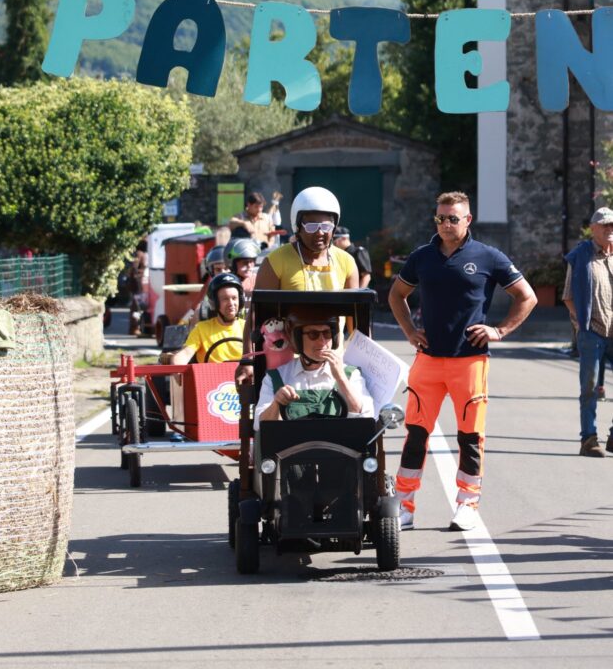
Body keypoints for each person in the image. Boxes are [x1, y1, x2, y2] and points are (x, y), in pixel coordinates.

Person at [388, 190, 537, 532]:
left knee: (471, 437)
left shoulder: (488, 256)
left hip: (469, 362)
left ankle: (467, 504)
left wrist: (500, 330)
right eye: (440, 218)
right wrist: (410, 330)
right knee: (415, 434)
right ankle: (405, 505)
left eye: (453, 218)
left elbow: (526, 296)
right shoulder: (422, 257)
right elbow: (397, 294)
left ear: (468, 220)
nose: (445, 224)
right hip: (427, 361)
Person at [234, 187, 358, 389]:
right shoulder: (276, 261)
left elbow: (357, 324)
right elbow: (256, 316)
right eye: (311, 226)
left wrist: (364, 363)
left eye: (326, 226)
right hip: (286, 364)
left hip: (333, 362)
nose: (319, 232)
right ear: (297, 226)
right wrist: (247, 361)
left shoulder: (347, 262)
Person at [254, 309, 374, 427]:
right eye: (313, 334)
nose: (322, 341)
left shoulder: (350, 374)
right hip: (293, 446)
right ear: (297, 339)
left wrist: (341, 378)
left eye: (327, 333)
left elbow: (366, 418)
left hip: (337, 446)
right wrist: (276, 403)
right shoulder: (276, 377)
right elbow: (259, 426)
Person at [563, 207, 613, 458]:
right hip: (591, 331)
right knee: (590, 387)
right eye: (604, 225)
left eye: (612, 226)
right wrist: (578, 323)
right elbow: (569, 295)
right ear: (592, 229)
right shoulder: (581, 256)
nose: (609, 230)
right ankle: (589, 439)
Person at [170, 272, 245, 365]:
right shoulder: (201, 329)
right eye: (225, 299)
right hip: (211, 378)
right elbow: (186, 353)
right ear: (214, 303)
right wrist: (177, 364)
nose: (231, 303)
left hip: (244, 378)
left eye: (234, 298)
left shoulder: (247, 328)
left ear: (241, 300)